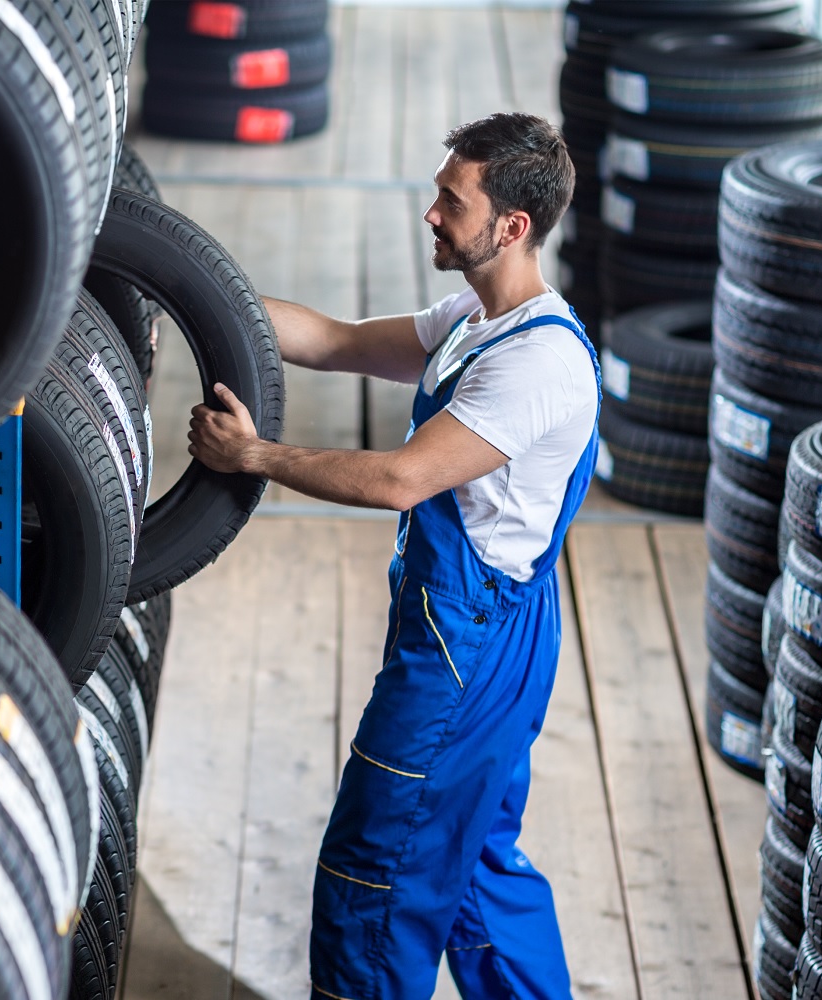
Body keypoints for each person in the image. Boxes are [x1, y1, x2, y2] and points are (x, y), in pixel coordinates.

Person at [187, 112, 594, 1000]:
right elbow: (331, 341)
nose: (432, 214)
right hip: (481, 631)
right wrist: (186, 294)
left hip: (470, 652)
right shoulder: (473, 319)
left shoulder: (537, 365)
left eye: (452, 201)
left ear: (512, 227)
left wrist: (252, 456)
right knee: (473, 868)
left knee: (377, 869)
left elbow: (398, 482)